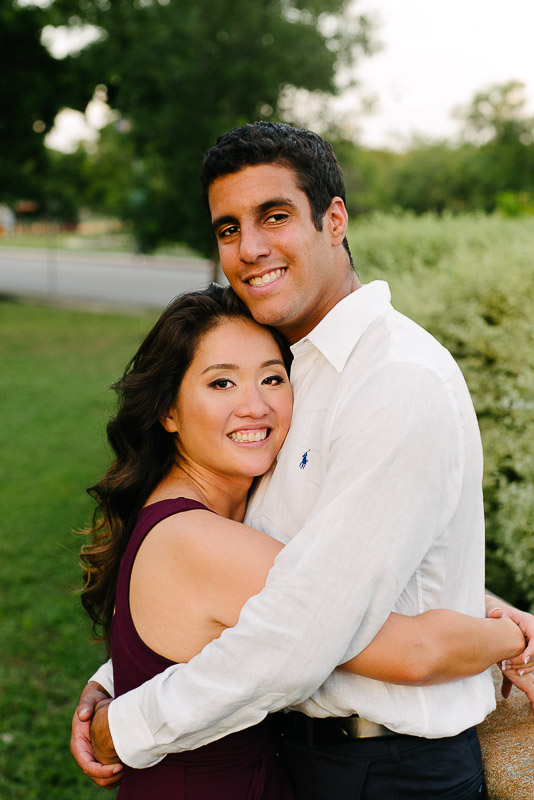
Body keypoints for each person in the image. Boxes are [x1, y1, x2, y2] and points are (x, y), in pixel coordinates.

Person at [72, 123, 534, 799]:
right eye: (228, 228)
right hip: (304, 755)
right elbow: (280, 565)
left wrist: (127, 724)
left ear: (335, 219)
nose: (249, 248)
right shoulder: (289, 371)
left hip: (388, 771)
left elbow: (300, 630)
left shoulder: (393, 382)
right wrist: (124, 671)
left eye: (275, 215)